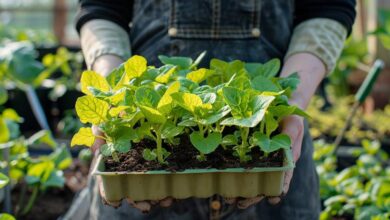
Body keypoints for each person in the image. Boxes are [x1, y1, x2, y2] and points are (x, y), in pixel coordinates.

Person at [71, 0, 356, 219]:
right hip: (142, 179)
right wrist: (114, 100)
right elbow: (102, 7)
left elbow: (328, 6)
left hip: (275, 151)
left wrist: (289, 104)